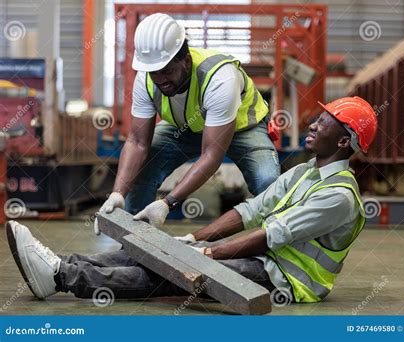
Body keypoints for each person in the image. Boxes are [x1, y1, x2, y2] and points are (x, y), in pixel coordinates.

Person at [7, 97, 377, 304]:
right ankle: (60, 262)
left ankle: (62, 277)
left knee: (172, 273)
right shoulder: (304, 172)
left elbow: (271, 234)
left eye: (325, 121)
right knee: (158, 250)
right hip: (264, 259)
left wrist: (208, 256)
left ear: (344, 141)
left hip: (285, 280)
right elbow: (251, 211)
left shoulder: (339, 197)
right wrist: (196, 241)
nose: (313, 123)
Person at [95, 12, 279, 232]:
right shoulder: (146, 79)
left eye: (167, 71)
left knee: (269, 183)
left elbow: (211, 155)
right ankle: (134, 242)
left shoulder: (220, 78)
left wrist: (167, 203)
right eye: (154, 73)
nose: (160, 79)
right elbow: (136, 142)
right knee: (142, 170)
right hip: (186, 127)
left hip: (243, 128)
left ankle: (272, 248)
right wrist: (117, 194)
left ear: (186, 61)